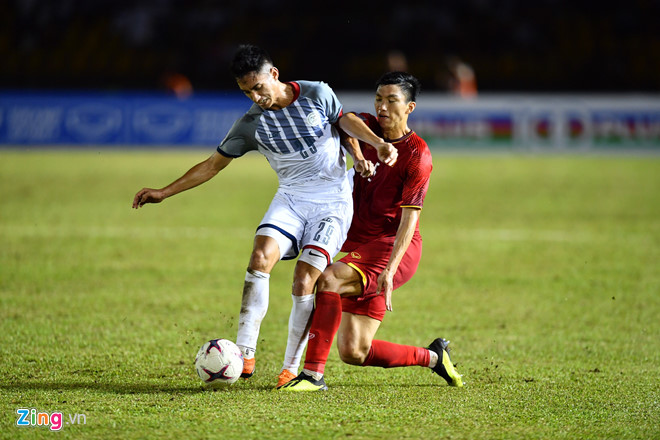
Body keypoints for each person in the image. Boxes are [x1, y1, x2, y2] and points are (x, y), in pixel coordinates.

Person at [132, 45, 397, 388]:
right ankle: (244, 354)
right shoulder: (250, 124)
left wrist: (372, 145)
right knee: (259, 258)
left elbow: (344, 122)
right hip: (290, 198)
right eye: (246, 92)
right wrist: (164, 192)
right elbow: (212, 165)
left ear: (274, 74)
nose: (256, 97)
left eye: (258, 87)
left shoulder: (316, 92)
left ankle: (291, 367)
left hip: (332, 201)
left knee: (305, 279)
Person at [279, 71, 464, 391]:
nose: (382, 106)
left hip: (391, 247)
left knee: (329, 279)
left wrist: (390, 270)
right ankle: (434, 357)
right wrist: (358, 151)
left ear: (410, 107)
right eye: (379, 98)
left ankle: (311, 377)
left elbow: (410, 219)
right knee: (354, 350)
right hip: (360, 247)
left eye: (392, 100)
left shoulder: (418, 155)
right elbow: (344, 119)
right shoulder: (369, 129)